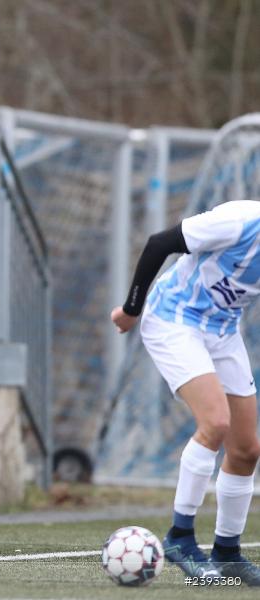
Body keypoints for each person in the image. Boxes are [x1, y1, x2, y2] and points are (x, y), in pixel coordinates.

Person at [111, 199, 260, 585]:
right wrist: (131, 309)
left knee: (246, 449)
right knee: (215, 423)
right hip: (173, 318)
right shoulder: (239, 221)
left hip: (222, 331)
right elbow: (159, 243)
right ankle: (180, 537)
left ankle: (227, 552)